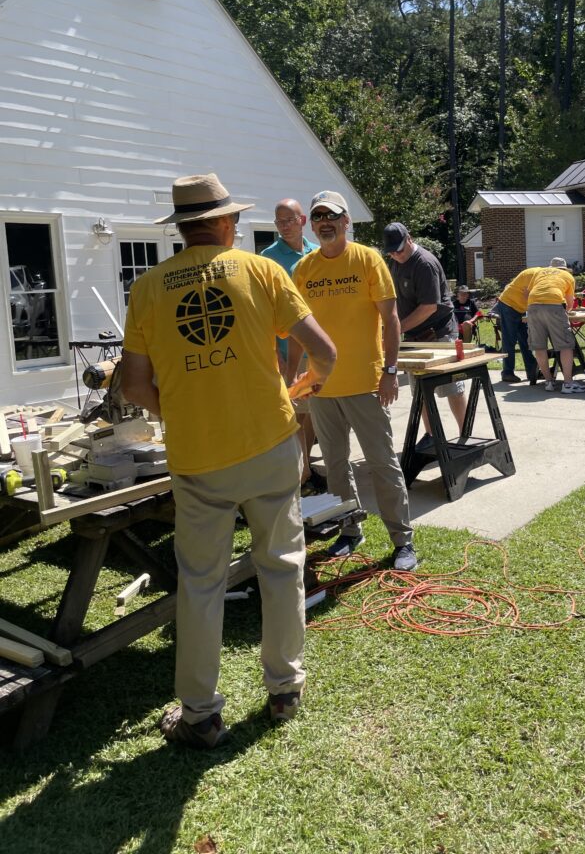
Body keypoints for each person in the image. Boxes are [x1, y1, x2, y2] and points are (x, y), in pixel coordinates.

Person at [121, 173, 336, 748]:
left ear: (182, 228)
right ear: (220, 223)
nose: (239, 225)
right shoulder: (263, 271)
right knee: (283, 564)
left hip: (198, 458)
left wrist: (181, 409)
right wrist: (301, 390)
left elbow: (133, 385)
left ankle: (199, 714)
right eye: (234, 218)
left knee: (199, 583)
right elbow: (325, 351)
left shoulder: (147, 288)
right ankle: (285, 690)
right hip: (269, 444)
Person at [291, 192, 418, 571]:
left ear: (347, 221)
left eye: (332, 215)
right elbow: (297, 330)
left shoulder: (367, 259)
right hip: (322, 386)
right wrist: (290, 380)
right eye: (318, 216)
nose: (325, 221)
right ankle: (349, 530)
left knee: (382, 463)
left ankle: (402, 539)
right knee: (334, 462)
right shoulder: (305, 268)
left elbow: (391, 319)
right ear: (311, 225)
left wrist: (390, 371)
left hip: (366, 382)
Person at [261, 199, 324, 495]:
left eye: (289, 220)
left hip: (319, 346)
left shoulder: (317, 252)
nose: (284, 226)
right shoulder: (269, 259)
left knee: (312, 410)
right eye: (279, 221)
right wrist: (277, 354)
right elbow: (266, 311)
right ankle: (301, 473)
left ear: (302, 221)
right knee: (296, 409)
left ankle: (306, 464)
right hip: (289, 348)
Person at [383, 222, 468, 444]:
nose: (395, 254)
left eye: (399, 249)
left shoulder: (424, 264)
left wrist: (396, 329)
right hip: (415, 336)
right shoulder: (395, 262)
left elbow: (429, 306)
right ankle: (432, 436)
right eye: (391, 251)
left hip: (439, 334)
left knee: (452, 388)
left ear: (409, 239)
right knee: (420, 390)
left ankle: (465, 434)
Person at [526, 257, 585, 394]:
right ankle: (568, 383)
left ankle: (548, 381)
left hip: (533, 306)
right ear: (564, 268)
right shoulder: (567, 276)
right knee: (565, 345)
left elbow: (529, 292)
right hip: (554, 305)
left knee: (539, 345)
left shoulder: (539, 273)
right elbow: (570, 304)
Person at [496, 267, 541, 384]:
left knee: (526, 339)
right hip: (508, 304)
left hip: (521, 307)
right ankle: (507, 373)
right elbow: (529, 296)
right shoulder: (537, 276)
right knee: (509, 340)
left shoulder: (541, 275)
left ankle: (533, 371)